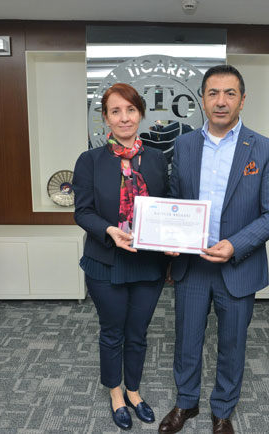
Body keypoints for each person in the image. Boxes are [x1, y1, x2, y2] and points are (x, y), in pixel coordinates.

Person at [158, 65, 269, 434]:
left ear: (242, 101)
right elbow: (175, 200)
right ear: (202, 99)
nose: (221, 101)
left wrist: (236, 245)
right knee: (187, 340)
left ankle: (223, 411)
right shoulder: (184, 145)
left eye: (230, 93)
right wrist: (170, 238)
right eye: (213, 93)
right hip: (193, 266)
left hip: (238, 266)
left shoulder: (265, 150)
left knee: (232, 343)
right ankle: (186, 403)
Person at [73, 83, 168, 430]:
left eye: (130, 110)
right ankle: (116, 394)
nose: (124, 118)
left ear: (140, 114)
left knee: (138, 332)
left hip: (148, 264)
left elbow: (167, 206)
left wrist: (174, 237)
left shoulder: (156, 158)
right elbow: (83, 212)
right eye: (115, 111)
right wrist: (110, 231)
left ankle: (134, 391)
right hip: (106, 263)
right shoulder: (90, 161)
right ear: (105, 118)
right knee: (113, 332)